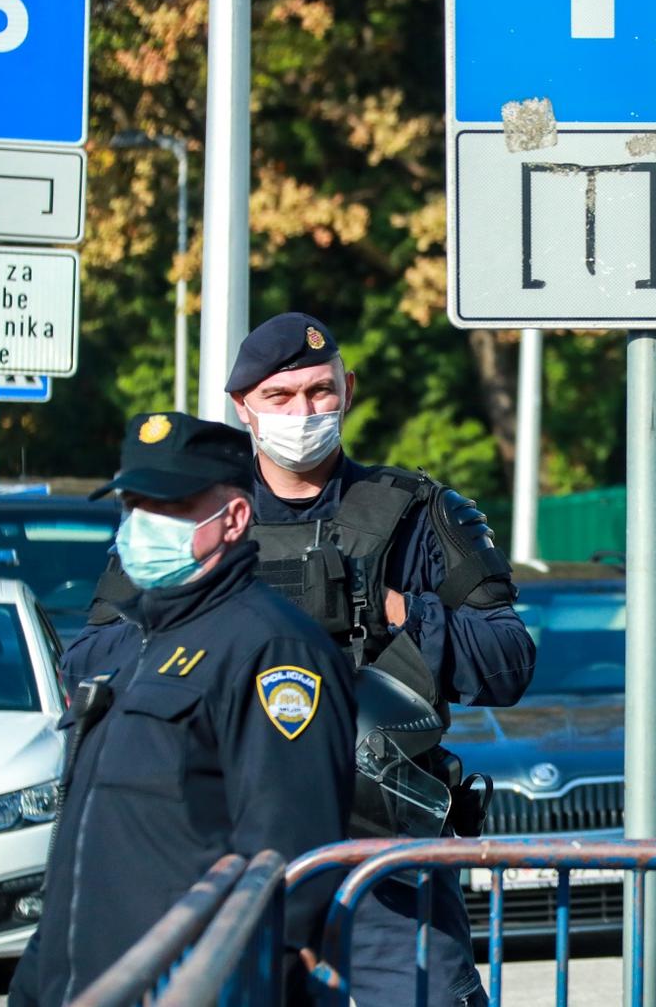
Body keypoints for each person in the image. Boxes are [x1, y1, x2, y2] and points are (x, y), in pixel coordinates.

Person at [84, 313, 536, 1007]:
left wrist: (388, 608)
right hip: (224, 856)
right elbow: (90, 659)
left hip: (384, 858)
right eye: (280, 397)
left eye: (320, 391)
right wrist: (211, 623)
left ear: (347, 390)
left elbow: (508, 661)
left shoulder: (416, 512)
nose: (304, 412)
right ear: (243, 407)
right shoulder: (188, 516)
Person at [10, 412, 356, 1005]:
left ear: (235, 519)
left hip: (188, 988)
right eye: (134, 504)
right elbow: (83, 844)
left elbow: (288, 864)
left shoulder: (273, 649)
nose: (143, 524)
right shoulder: (122, 645)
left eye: (167, 508)